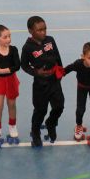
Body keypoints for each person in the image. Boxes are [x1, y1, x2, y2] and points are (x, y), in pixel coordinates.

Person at [20, 16, 64, 148]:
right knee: (40, 110)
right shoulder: (27, 47)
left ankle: (51, 123)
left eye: (44, 29)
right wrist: (36, 72)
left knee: (59, 106)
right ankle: (35, 132)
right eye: (39, 30)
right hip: (40, 84)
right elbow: (24, 65)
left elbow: (57, 56)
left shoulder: (50, 40)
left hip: (54, 81)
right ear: (30, 31)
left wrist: (61, 71)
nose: (43, 32)